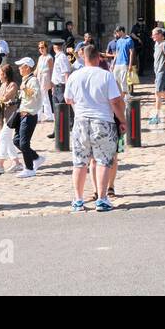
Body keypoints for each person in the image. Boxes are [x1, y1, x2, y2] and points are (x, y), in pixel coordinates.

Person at [64, 43, 125, 212]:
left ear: (84, 57)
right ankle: (102, 199)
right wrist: (123, 120)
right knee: (103, 160)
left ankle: (78, 200)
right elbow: (115, 101)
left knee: (79, 162)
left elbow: (68, 99)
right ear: (98, 57)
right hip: (102, 120)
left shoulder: (74, 76)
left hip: (81, 121)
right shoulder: (106, 76)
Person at [0, 63, 22, 174]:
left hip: (12, 116)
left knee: (2, 139)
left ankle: (0, 165)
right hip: (4, 116)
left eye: (0, 73)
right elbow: (1, 100)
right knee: (7, 140)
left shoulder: (13, 85)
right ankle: (17, 163)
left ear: (5, 74)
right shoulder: (3, 85)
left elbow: (4, 98)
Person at [13, 56, 44, 178]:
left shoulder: (33, 80)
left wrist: (25, 89)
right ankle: (36, 158)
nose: (19, 68)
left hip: (29, 115)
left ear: (27, 67)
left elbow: (36, 94)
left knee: (24, 143)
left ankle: (29, 169)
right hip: (22, 115)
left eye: (21, 66)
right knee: (16, 141)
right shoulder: (25, 80)